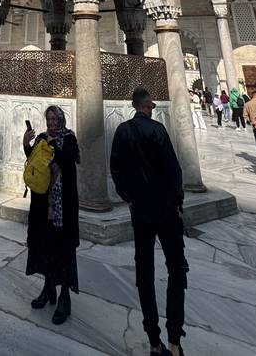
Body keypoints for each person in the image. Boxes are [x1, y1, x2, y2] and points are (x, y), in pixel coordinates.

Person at [111, 87, 188, 356]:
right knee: (177, 269)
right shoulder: (157, 131)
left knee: (144, 273)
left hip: (140, 210)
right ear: (148, 106)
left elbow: (116, 169)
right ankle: (174, 342)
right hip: (165, 209)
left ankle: (153, 341)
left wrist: (129, 198)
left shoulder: (122, 131)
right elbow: (173, 169)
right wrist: (178, 201)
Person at [23, 106, 80, 326]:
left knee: (63, 249)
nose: (52, 123)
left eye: (55, 119)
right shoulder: (41, 138)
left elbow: (69, 161)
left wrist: (55, 146)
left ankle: (64, 296)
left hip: (63, 206)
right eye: (49, 119)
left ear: (62, 120)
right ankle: (48, 290)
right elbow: (34, 162)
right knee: (45, 246)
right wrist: (27, 144)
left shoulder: (69, 139)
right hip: (42, 205)